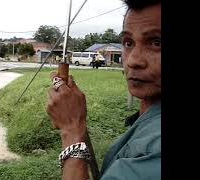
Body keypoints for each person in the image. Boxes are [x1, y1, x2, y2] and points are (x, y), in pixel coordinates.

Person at [46, 0, 161, 179]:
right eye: (128, 43)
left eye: (156, 42)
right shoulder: (149, 117)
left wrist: (72, 129)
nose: (133, 60)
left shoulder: (156, 150)